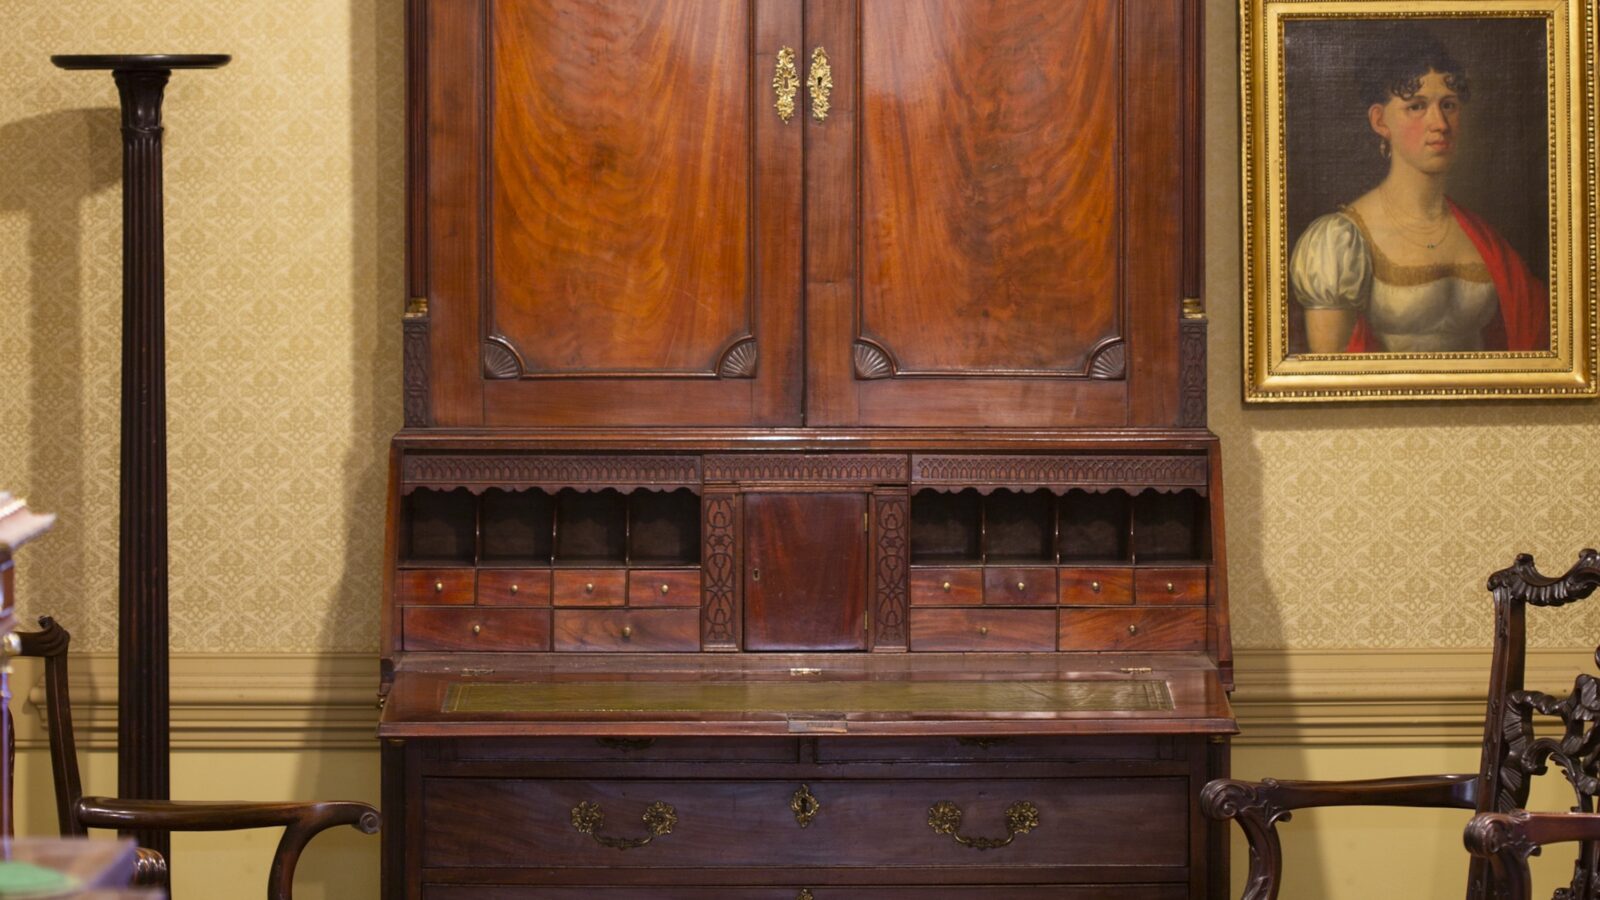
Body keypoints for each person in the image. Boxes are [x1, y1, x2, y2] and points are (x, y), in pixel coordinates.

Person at [1290, 28, 1548, 353]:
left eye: (1449, 105)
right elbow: (1330, 383)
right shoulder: (1338, 240)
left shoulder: (1487, 241)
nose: (1439, 123)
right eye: (1417, 106)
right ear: (1380, 121)